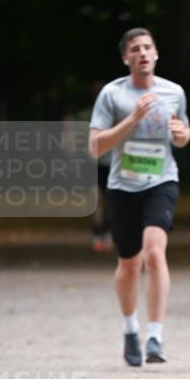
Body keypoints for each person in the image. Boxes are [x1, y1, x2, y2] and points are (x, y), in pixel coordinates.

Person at [89, 28, 190, 366]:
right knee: (129, 263)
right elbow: (95, 146)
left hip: (161, 181)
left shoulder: (173, 92)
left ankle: (155, 337)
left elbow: (184, 133)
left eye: (148, 47)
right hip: (122, 186)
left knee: (154, 252)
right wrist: (132, 119)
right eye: (135, 49)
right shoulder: (112, 94)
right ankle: (131, 328)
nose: (143, 53)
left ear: (157, 53)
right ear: (126, 58)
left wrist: (182, 135)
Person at [78, 82, 113, 252]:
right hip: (91, 164)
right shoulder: (84, 115)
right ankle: (97, 233)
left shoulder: (115, 115)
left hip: (111, 164)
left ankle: (107, 233)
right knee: (97, 201)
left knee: (110, 201)